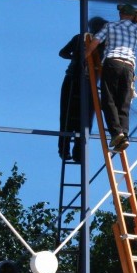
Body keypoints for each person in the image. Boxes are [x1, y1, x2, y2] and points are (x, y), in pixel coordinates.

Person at [93, 4, 137, 152]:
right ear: (132, 16)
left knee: (108, 99)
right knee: (123, 102)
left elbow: (96, 41)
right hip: (129, 67)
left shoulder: (110, 26)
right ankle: (124, 136)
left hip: (112, 62)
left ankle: (117, 133)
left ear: (121, 14)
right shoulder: (136, 29)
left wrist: (86, 56)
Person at [57, 16, 106, 163]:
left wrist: (75, 58)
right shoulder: (102, 43)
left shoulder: (80, 38)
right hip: (87, 82)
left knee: (67, 116)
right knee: (84, 120)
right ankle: (78, 153)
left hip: (73, 79)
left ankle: (65, 150)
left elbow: (63, 53)